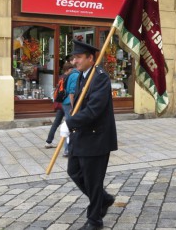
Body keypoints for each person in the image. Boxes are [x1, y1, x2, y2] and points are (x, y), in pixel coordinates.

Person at [59, 40, 117, 230]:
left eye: (79, 57)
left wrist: (70, 122)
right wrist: (69, 122)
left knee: (93, 181)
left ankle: (94, 221)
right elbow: (78, 106)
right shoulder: (83, 75)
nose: (75, 61)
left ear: (91, 58)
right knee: (74, 171)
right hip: (81, 136)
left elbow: (94, 110)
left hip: (96, 138)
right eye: (73, 58)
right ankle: (104, 199)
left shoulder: (99, 77)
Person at [45, 62, 74, 149]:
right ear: (68, 70)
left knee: (56, 123)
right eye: (71, 70)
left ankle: (48, 141)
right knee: (69, 123)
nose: (72, 71)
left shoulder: (61, 77)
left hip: (60, 102)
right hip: (65, 103)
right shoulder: (67, 78)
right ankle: (68, 148)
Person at [61, 56, 80, 157]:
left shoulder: (72, 74)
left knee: (69, 125)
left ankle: (69, 149)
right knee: (70, 126)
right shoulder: (76, 75)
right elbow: (72, 93)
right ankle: (67, 150)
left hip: (66, 103)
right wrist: (74, 107)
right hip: (69, 103)